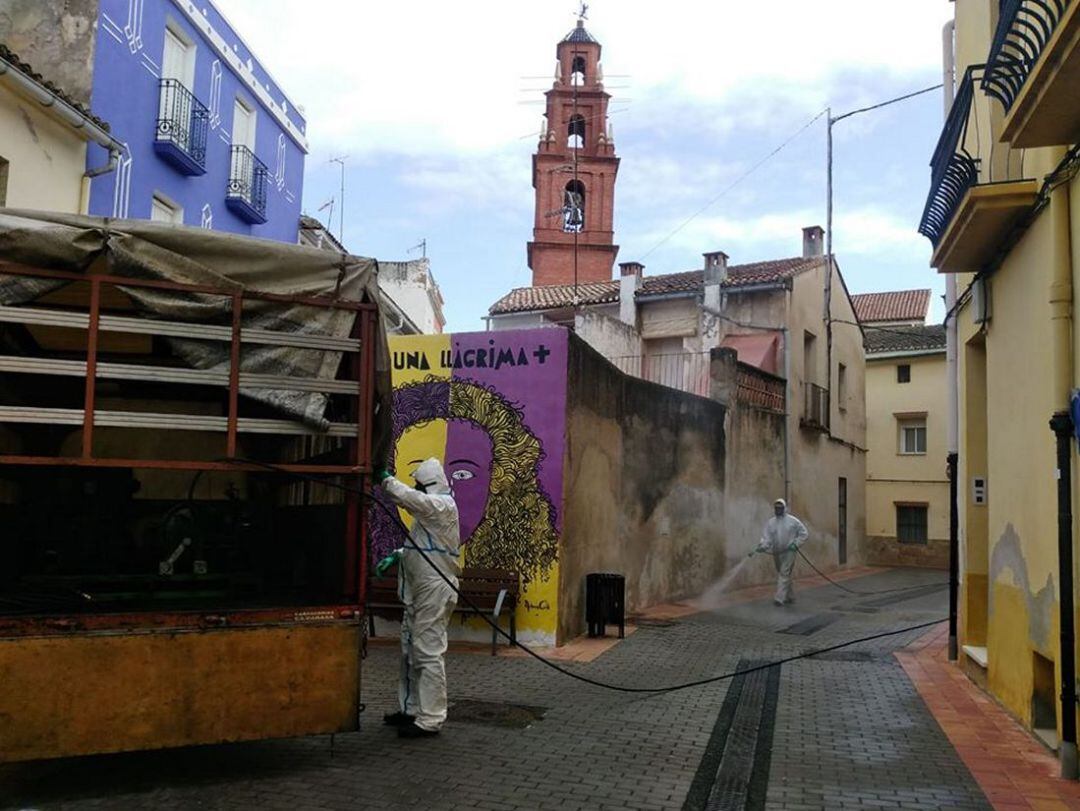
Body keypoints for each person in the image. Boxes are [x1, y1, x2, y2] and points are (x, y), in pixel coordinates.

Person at [374, 458, 461, 738]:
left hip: (434, 590)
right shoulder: (431, 515)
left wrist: (385, 479)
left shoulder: (441, 506)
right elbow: (426, 547)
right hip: (421, 591)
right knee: (410, 651)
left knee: (427, 652)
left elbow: (409, 498)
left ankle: (431, 719)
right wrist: (398, 556)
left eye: (419, 484)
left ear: (428, 485)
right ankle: (410, 710)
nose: (415, 488)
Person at [753, 498, 809, 606]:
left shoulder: (793, 521)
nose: (778, 510)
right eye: (776, 508)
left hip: (789, 551)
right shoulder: (771, 522)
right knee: (784, 574)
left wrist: (796, 544)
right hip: (777, 551)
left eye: (780, 508)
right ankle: (790, 596)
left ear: (784, 508)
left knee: (784, 572)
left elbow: (804, 533)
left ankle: (779, 598)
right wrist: (763, 546)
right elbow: (767, 538)